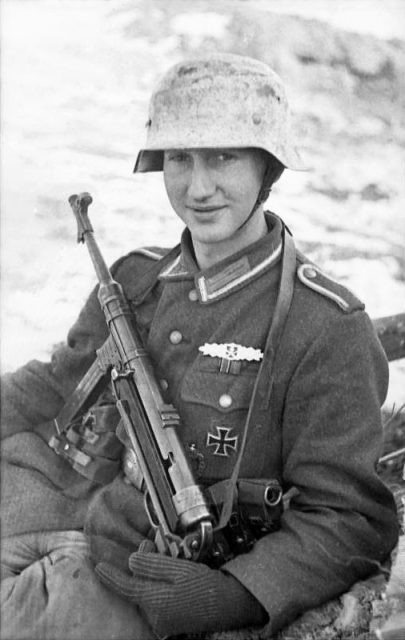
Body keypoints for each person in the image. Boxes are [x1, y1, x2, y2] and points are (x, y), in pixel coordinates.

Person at [0, 53, 398, 640]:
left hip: (137, 576)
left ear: (269, 168)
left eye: (223, 157)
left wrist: (233, 594)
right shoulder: (135, 281)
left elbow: (349, 519)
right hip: (58, 512)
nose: (198, 186)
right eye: (180, 158)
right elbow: (57, 383)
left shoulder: (325, 328)